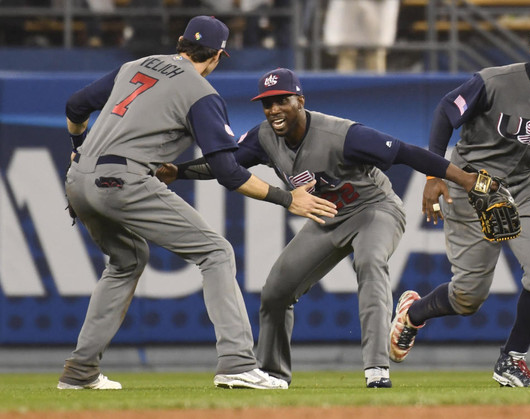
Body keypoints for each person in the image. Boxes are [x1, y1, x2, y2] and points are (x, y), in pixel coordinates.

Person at [157, 68, 483, 388]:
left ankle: (376, 368)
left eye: (281, 100)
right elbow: (225, 163)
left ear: (300, 99)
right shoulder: (264, 137)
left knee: (369, 263)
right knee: (275, 293)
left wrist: (463, 179)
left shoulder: (343, 134)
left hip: (374, 210)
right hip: (327, 218)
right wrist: (179, 172)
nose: (273, 110)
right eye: (267, 104)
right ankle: (273, 374)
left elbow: (406, 152)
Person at [57, 16, 337, 391]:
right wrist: (287, 198)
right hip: (122, 179)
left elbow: (76, 106)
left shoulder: (134, 65)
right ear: (219, 56)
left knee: (127, 260)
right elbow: (228, 172)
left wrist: (78, 149)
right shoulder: (201, 93)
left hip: (77, 180)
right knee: (216, 252)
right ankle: (237, 362)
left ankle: (79, 372)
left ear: (180, 42)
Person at [389, 21, 530, 388]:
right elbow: (445, 113)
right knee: (467, 298)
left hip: (523, 184)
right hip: (470, 185)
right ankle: (412, 314)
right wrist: (434, 175)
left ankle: (512, 359)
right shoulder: (493, 81)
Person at [323, 0, 400, 73]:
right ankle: (344, 85)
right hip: (349, 6)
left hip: (379, 7)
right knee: (347, 51)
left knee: (376, 52)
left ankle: (377, 85)